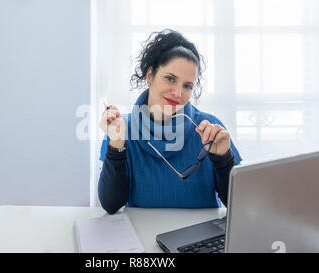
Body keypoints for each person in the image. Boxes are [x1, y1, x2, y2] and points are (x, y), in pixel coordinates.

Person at [98, 29, 242, 215]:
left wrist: (223, 159)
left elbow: (239, 206)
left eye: (187, 86)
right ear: (150, 75)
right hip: (141, 237)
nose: (178, 93)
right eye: (170, 79)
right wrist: (116, 145)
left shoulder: (210, 128)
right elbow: (111, 204)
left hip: (197, 239)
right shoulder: (121, 129)